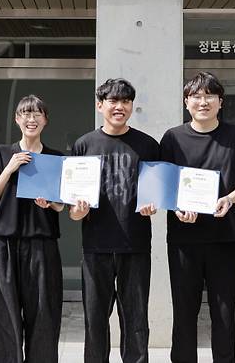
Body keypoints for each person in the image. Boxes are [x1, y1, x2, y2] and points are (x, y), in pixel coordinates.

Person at [159, 71, 235, 363]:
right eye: (196, 96)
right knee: (184, 311)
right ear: (186, 101)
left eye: (209, 96)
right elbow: (164, 184)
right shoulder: (173, 138)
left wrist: (231, 198)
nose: (202, 102)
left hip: (224, 238)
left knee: (223, 312)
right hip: (183, 239)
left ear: (220, 102)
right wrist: (176, 207)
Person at [69, 78, 159, 363]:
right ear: (100, 105)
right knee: (95, 322)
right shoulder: (84, 145)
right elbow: (73, 208)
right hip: (95, 247)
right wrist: (78, 212)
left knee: (136, 321)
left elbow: (156, 195)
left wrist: (153, 207)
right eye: (113, 101)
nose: (119, 107)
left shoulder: (148, 145)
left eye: (125, 101)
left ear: (132, 106)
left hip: (136, 245)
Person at [0, 95, 65, 363]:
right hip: (3, 244)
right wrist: (9, 169)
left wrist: (50, 203)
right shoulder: (1, 153)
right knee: (3, 316)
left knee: (44, 315)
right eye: (26, 114)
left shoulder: (56, 157)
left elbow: (61, 206)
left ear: (45, 120)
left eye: (37, 114)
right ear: (17, 119)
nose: (31, 119)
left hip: (42, 244)